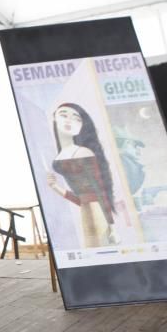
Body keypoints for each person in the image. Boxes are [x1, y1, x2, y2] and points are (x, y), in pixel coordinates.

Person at [45, 102, 119, 247]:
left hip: (96, 214)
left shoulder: (84, 153)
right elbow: (81, 200)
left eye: (76, 118)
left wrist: (111, 224)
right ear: (55, 119)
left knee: (98, 253)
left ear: (81, 126)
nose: (69, 120)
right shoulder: (59, 157)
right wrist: (55, 187)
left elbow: (99, 191)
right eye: (63, 115)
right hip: (86, 213)